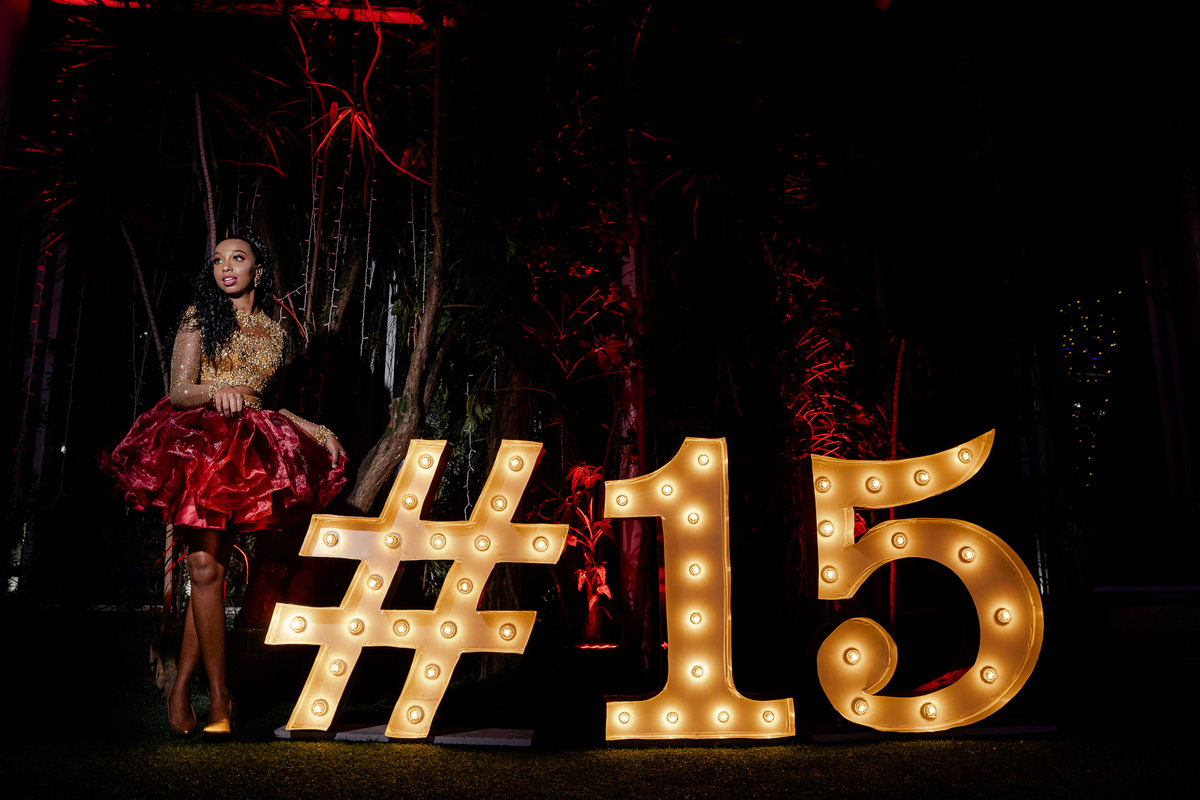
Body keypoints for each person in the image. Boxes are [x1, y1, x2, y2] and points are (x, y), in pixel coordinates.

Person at [100, 231, 347, 739]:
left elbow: (265, 402)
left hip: (248, 458)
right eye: (217, 260)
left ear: (259, 269)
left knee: (209, 574)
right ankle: (218, 695)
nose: (225, 267)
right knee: (202, 565)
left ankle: (182, 685)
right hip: (200, 446)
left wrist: (316, 429)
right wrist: (219, 388)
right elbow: (180, 390)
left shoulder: (275, 332)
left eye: (238, 258)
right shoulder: (199, 318)